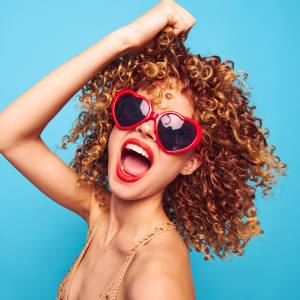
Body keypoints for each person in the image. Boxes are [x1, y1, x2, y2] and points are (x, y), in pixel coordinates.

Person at [0, 0, 287, 299]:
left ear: (191, 162)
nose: (146, 127)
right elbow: (9, 135)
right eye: (135, 109)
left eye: (173, 128)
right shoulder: (100, 213)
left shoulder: (156, 274)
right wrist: (123, 40)